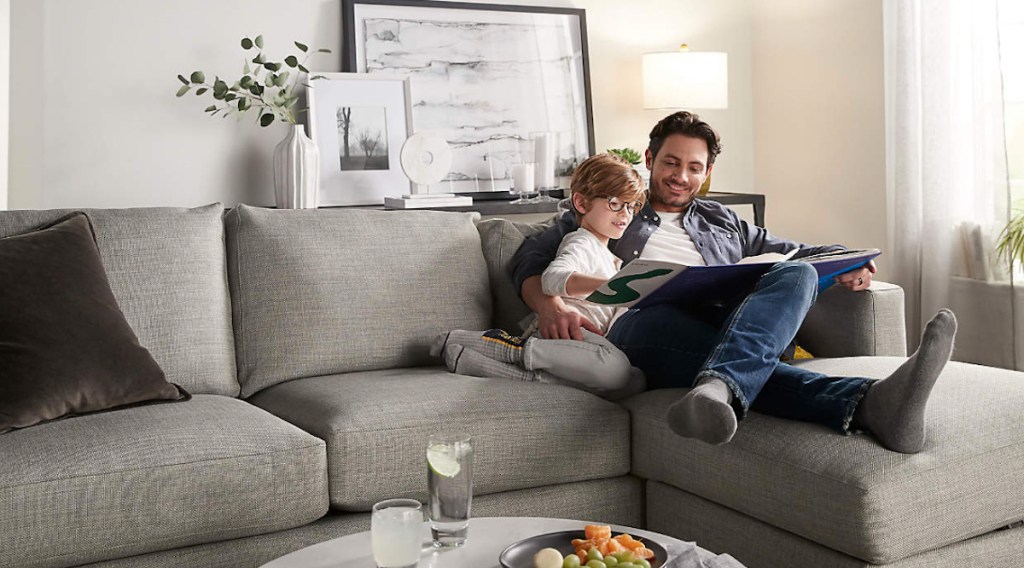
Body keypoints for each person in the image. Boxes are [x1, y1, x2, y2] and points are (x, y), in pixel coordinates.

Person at [511, 111, 957, 454]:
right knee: (666, 315)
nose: (680, 176)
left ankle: (718, 387)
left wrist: (849, 264)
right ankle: (867, 402)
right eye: (670, 162)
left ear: (707, 173)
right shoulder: (614, 206)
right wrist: (549, 304)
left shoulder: (724, 222)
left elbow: (800, 251)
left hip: (726, 326)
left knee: (796, 271)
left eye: (694, 167)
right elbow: (530, 254)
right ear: (649, 160)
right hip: (643, 326)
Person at [431, 154, 647, 399]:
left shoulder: (609, 257)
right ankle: (512, 349)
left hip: (587, 345)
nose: (626, 214)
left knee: (635, 380)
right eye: (615, 203)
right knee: (616, 371)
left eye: (631, 206)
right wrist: (611, 286)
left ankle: (476, 362)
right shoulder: (581, 242)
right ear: (582, 203)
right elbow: (552, 278)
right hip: (560, 335)